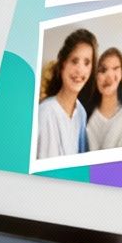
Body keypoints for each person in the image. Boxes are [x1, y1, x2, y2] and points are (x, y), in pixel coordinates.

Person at [35, 29, 95, 161]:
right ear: (63, 65)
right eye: (74, 61)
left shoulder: (81, 113)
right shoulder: (44, 112)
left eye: (86, 63)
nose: (80, 70)